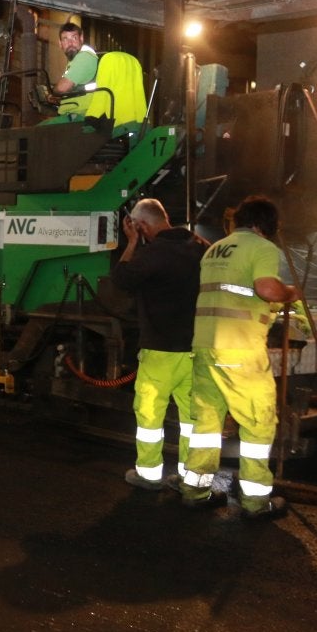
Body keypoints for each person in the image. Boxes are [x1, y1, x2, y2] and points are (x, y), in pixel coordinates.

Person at [183, 196, 299, 519]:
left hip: (206, 346)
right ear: (265, 226)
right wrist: (290, 294)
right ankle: (255, 501)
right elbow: (266, 289)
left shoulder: (214, 250)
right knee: (258, 421)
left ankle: (195, 490)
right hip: (240, 349)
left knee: (206, 422)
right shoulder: (262, 248)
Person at [110, 199, 207, 491]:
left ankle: (149, 474)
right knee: (192, 419)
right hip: (194, 349)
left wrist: (130, 243)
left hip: (159, 351)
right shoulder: (200, 246)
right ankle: (192, 478)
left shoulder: (154, 253)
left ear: (141, 226)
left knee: (150, 415)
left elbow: (122, 279)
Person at [51, 22, 98, 119]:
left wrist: (51, 93)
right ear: (60, 44)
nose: (70, 43)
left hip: (80, 115)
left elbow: (61, 88)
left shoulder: (84, 57)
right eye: (65, 39)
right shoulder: (75, 61)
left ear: (81, 39)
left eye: (74, 38)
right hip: (76, 113)